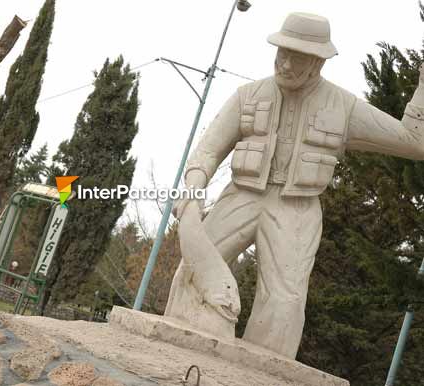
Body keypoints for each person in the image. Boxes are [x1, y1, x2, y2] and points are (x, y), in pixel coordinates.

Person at [169, 12, 424, 359]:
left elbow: (414, 141)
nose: (285, 64)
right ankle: (176, 354)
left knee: (285, 302)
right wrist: (194, 191)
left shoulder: (344, 107)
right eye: (282, 53)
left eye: (297, 57)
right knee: (193, 271)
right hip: (241, 196)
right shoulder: (247, 95)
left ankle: (256, 375)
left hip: (296, 209)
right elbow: (208, 150)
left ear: (318, 62)